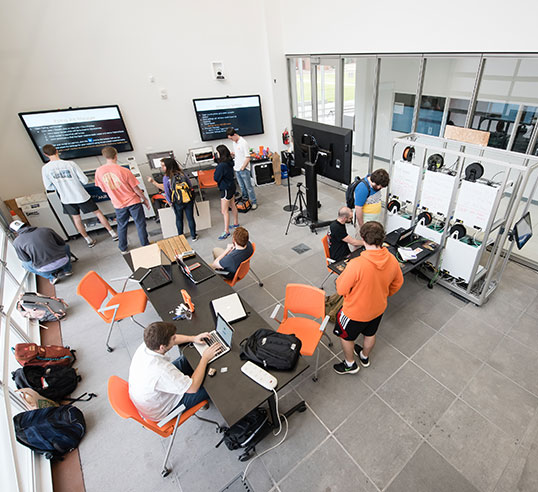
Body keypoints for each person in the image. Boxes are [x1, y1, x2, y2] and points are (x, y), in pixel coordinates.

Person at [333, 221, 403, 375]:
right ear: (382, 238)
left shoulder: (356, 264)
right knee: (370, 334)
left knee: (346, 337)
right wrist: (384, 294)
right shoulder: (392, 259)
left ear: (363, 238)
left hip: (355, 313)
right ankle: (364, 356)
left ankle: (350, 364)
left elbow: (341, 289)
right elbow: (398, 282)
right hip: (378, 308)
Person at [128, 321, 220, 421]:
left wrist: (193, 338)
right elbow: (193, 388)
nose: (175, 338)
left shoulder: (148, 345)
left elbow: (172, 338)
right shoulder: (161, 371)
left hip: (150, 394)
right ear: (162, 347)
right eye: (173, 339)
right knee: (213, 384)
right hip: (163, 409)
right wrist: (205, 358)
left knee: (187, 359)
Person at [41, 144, 118, 247]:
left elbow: (49, 187)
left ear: (45, 154)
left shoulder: (45, 168)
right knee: (98, 213)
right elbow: (85, 180)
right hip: (81, 195)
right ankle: (112, 233)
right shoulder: (70, 164)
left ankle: (88, 240)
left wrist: (60, 187)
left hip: (66, 199)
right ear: (57, 151)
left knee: (76, 219)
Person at [94, 147, 150, 254]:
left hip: (118, 204)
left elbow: (103, 189)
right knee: (140, 223)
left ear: (104, 156)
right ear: (116, 155)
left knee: (122, 225)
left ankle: (123, 248)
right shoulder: (124, 170)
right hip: (133, 201)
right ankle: (145, 244)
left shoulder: (99, 171)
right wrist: (144, 199)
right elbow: (136, 189)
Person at [10, 220, 73, 285]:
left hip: (44, 269)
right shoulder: (46, 229)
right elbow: (62, 242)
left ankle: (51, 277)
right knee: (66, 246)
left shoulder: (16, 242)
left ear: (15, 232)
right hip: (63, 261)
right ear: (26, 224)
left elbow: (25, 259)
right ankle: (67, 270)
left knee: (25, 264)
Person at [159, 157, 197, 241]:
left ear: (168, 166)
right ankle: (193, 236)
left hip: (176, 201)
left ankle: (181, 236)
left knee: (179, 219)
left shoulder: (166, 177)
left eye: (163, 166)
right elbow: (190, 185)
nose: (162, 168)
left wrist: (169, 202)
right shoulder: (182, 173)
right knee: (190, 218)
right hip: (188, 199)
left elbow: (167, 191)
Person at [353, 169, 390, 241]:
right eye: (379, 186)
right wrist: (362, 227)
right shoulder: (362, 188)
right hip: (365, 223)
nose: (380, 188)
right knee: (360, 244)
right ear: (373, 181)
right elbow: (358, 208)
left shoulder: (376, 184)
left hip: (374, 222)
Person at [226, 127, 257, 210]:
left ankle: (253, 202)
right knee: (242, 187)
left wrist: (243, 167)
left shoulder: (243, 143)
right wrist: (233, 154)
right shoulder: (234, 143)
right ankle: (246, 200)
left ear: (235, 135)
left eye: (231, 138)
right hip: (237, 169)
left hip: (243, 169)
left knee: (248, 187)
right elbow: (238, 154)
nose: (231, 140)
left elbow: (248, 157)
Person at [214, 144, 239, 240]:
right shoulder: (229, 162)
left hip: (225, 189)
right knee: (232, 205)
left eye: (217, 153)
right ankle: (236, 223)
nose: (216, 154)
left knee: (224, 211)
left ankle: (226, 231)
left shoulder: (221, 166)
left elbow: (216, 178)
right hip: (231, 186)